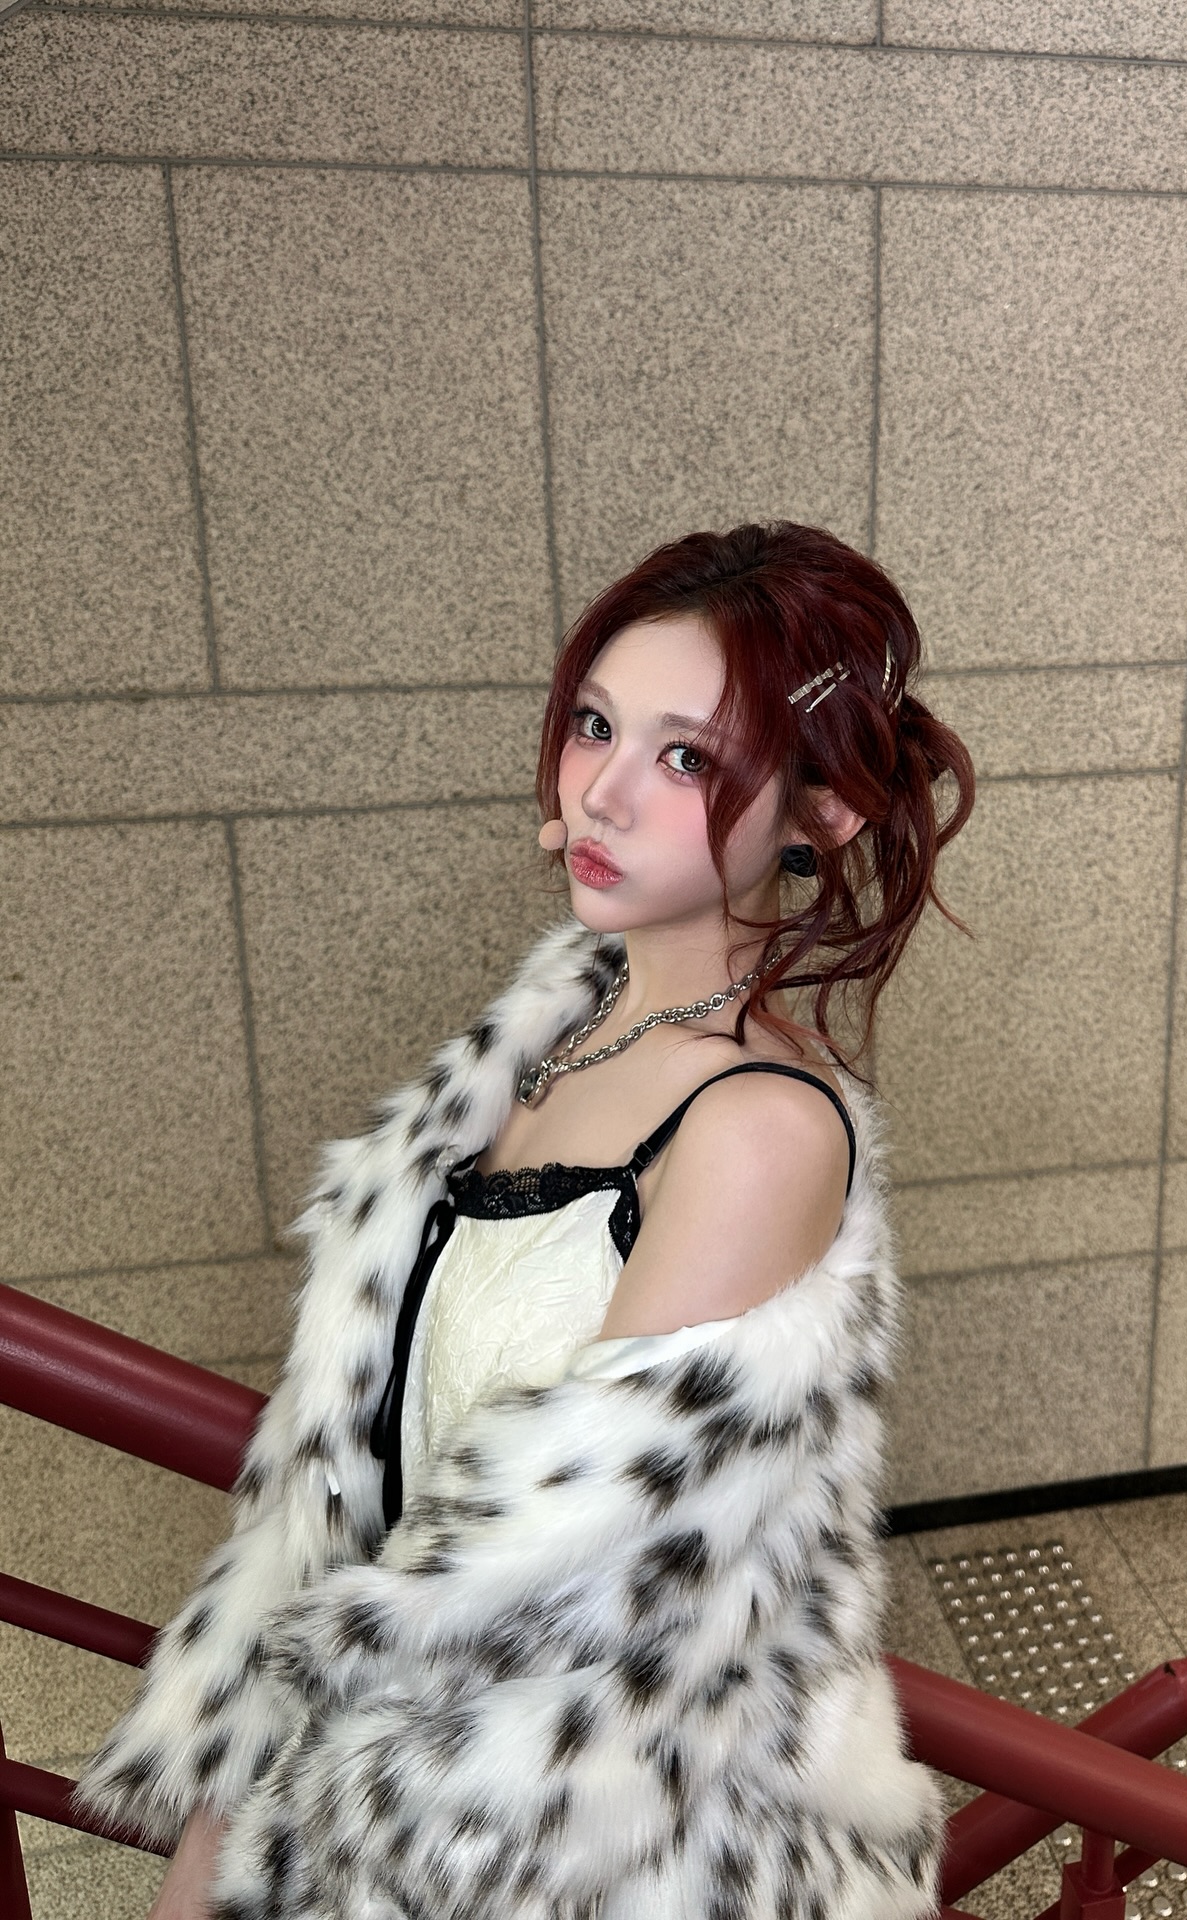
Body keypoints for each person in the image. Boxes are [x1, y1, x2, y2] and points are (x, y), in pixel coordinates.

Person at [76, 520, 976, 1919]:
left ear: (824, 810)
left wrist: (270, 1833)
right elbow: (348, 1479)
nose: (602, 792)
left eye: (687, 759)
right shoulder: (554, 1028)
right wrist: (226, 1797)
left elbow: (590, 1640)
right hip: (378, 1796)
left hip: (565, 1854)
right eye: (596, 727)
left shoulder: (755, 1131)